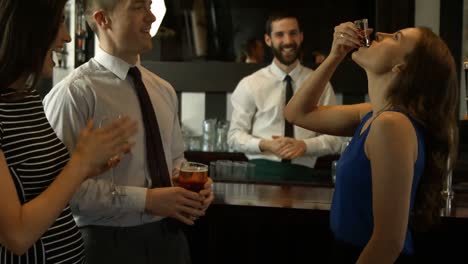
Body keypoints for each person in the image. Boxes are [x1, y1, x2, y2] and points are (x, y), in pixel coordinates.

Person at [43, 0, 214, 263]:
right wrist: (146, 200)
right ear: (103, 19)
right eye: (138, 7)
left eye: (149, 6)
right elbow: (61, 192)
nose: (151, 17)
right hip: (105, 244)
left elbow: (177, 163)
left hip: (170, 241)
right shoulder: (75, 93)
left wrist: (196, 189)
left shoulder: (164, 90)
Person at [284, 22, 459, 263]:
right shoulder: (374, 114)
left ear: (401, 67)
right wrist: (336, 55)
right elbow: (296, 113)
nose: (380, 34)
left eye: (395, 38)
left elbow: (388, 242)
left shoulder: (391, 125)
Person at [0, 0, 137, 263]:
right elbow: (16, 236)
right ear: (26, 31)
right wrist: (79, 163)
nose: (67, 37)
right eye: (58, 24)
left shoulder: (25, 98)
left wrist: (88, 166)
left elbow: (38, 186)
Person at [228, 11, 343, 170]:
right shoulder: (249, 84)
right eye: (280, 35)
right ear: (268, 40)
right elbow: (234, 137)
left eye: (293, 33)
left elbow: (336, 139)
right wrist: (266, 144)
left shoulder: (320, 83)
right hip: (260, 171)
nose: (288, 41)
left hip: (306, 173)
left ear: (301, 36)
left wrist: (305, 146)